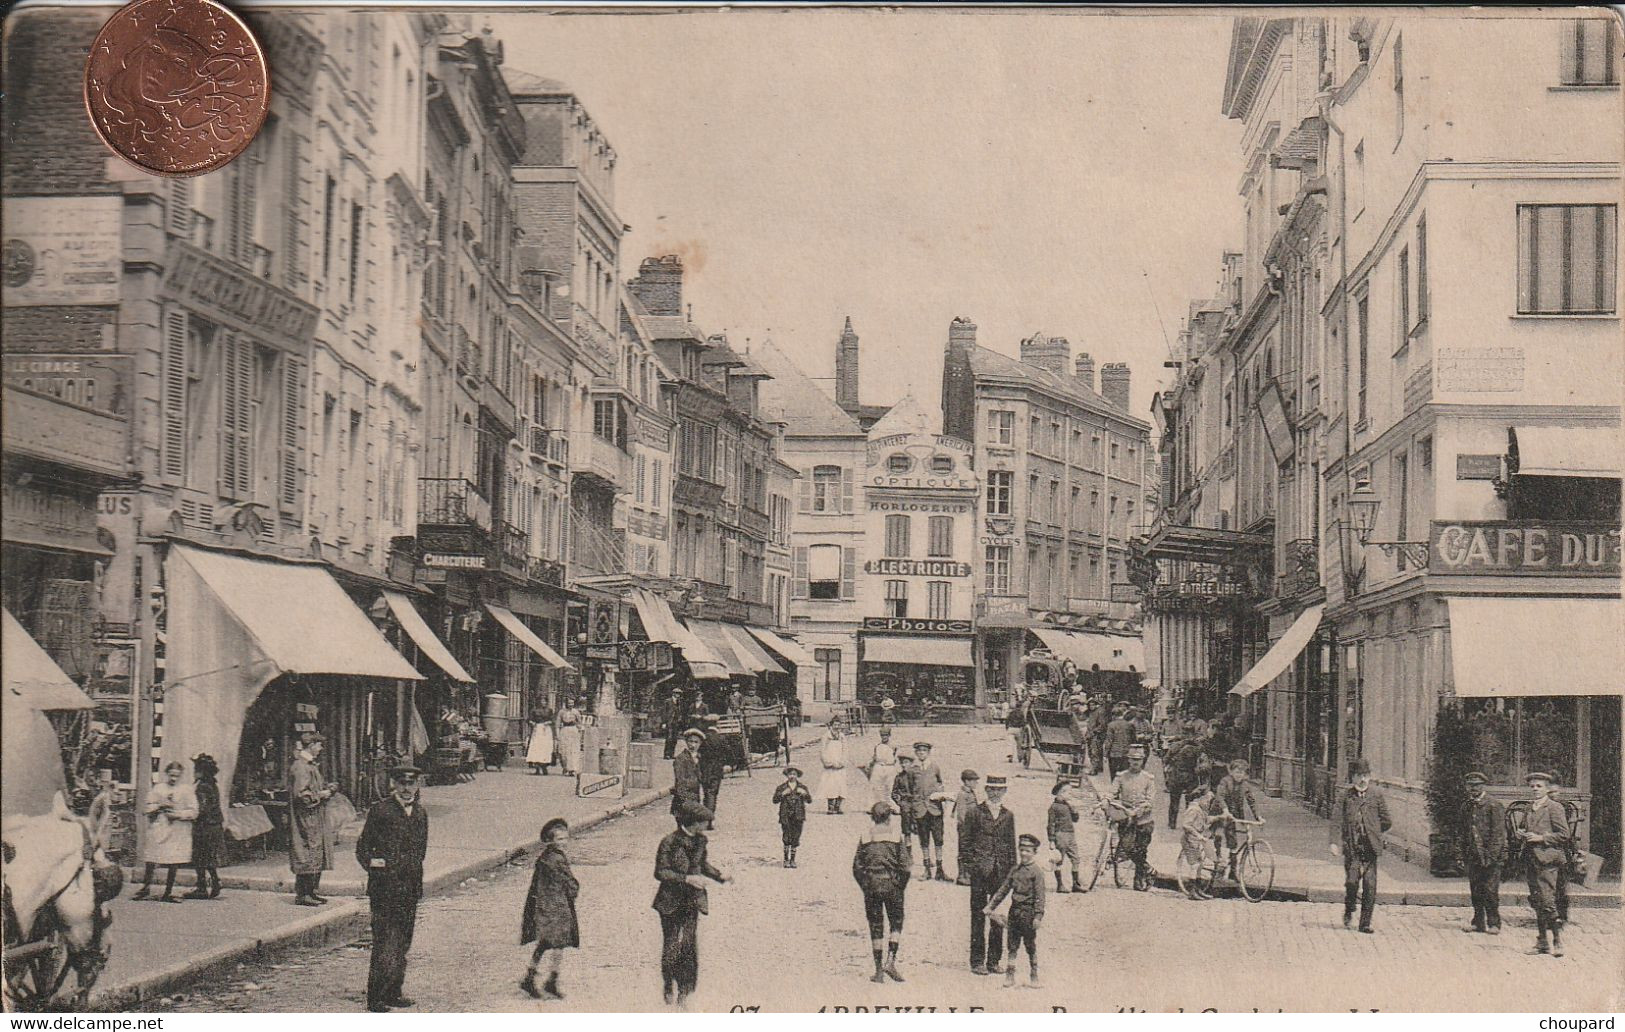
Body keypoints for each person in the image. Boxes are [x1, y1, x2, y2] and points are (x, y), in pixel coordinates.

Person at [355, 765, 429, 1012]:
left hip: (409, 889)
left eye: (412, 783)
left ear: (417, 785)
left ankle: (394, 991)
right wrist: (377, 867)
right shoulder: (381, 811)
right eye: (402, 783)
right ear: (394, 785)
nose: (407, 788)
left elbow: (421, 851)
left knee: (403, 942)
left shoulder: (419, 812)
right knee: (385, 941)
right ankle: (376, 997)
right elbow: (363, 848)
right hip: (385, 889)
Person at [653, 801, 731, 1007]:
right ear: (693, 822)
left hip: (691, 900)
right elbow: (660, 872)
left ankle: (685, 990)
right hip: (669, 900)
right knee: (672, 945)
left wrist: (719, 875)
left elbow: (701, 864)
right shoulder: (669, 842)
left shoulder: (700, 841)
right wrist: (686, 879)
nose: (708, 826)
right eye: (705, 822)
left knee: (688, 945)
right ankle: (669, 982)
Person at [962, 773, 1017, 975]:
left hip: (1001, 872)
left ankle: (993, 961)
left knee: (998, 917)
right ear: (986, 790)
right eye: (992, 789)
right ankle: (977, 961)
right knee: (978, 916)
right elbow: (965, 843)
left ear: (1005, 792)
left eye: (999, 790)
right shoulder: (975, 813)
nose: (995, 793)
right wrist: (969, 867)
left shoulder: (1008, 815)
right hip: (980, 871)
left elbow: (1011, 846)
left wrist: (1014, 873)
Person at [852, 800, 911, 984]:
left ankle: (878, 971)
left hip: (871, 887)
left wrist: (866, 885)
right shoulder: (895, 837)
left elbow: (856, 867)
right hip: (892, 886)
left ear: (873, 818)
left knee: (876, 925)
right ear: (889, 818)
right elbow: (905, 867)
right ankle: (890, 961)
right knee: (896, 923)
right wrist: (899, 885)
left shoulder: (865, 837)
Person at [520, 817, 579, 1000]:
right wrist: (574, 889)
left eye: (565, 838)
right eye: (560, 839)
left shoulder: (545, 857)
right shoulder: (556, 860)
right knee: (558, 943)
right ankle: (550, 980)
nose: (564, 842)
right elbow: (569, 883)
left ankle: (531, 975)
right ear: (551, 840)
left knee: (546, 942)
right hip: (557, 907)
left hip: (545, 906)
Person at [1516, 770, 1571, 957]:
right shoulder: (1529, 808)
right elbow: (1524, 827)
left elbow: (1564, 835)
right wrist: (1521, 833)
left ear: (1547, 789)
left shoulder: (1554, 808)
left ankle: (1557, 941)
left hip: (1548, 860)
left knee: (1547, 900)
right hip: (1531, 859)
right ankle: (1542, 942)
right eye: (1532, 786)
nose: (1535, 789)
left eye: (1539, 786)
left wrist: (1540, 837)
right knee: (1537, 900)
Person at [1335, 758, 1392, 934]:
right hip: (1352, 848)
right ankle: (1349, 906)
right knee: (1351, 882)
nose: (1363, 780)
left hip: (1370, 849)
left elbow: (1387, 820)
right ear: (1353, 777)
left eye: (1366, 776)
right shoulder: (1346, 796)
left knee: (1370, 885)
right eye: (1359, 776)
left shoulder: (1376, 795)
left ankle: (1365, 923)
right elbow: (1336, 820)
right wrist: (1333, 842)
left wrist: (1374, 832)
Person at [986, 832, 1047, 988]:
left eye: (1028, 850)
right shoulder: (1015, 870)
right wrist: (990, 906)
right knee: (1012, 946)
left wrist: (1038, 916)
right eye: (1022, 850)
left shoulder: (1037, 872)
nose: (1024, 853)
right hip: (1014, 912)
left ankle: (1034, 976)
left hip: (1028, 914)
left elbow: (1040, 896)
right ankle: (1009, 975)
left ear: (1034, 852)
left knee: (1030, 946)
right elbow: (1004, 890)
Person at [132, 760, 197, 902]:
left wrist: (178, 814)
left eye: (177, 776)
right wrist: (159, 806)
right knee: (152, 857)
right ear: (166, 774)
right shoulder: (158, 789)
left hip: (177, 829)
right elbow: (146, 808)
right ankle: (145, 887)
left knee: (173, 860)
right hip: (160, 826)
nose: (173, 778)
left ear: (181, 776)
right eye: (171, 775)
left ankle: (168, 891)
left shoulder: (186, 790)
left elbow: (193, 811)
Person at [289, 732, 337, 906]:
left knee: (316, 851)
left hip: (315, 816)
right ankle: (303, 894)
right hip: (306, 817)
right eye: (319, 745)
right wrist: (322, 794)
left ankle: (311, 891)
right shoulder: (301, 766)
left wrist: (327, 789)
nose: (321, 748)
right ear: (311, 745)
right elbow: (302, 795)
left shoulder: (309, 765)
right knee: (307, 851)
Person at [1461, 771, 1507, 936]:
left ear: (1483, 786)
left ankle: (1494, 923)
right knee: (1476, 889)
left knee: (1490, 890)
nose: (1473, 789)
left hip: (1491, 856)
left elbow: (1498, 834)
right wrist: (1463, 853)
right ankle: (1478, 922)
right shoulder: (1467, 805)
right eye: (1470, 786)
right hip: (1473, 854)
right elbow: (1464, 832)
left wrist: (1491, 857)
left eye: (1477, 785)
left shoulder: (1493, 805)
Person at [1109, 742, 1157, 891]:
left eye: (1139, 760)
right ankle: (1149, 869)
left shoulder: (1149, 779)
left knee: (1141, 850)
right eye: (1132, 759)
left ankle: (1139, 880)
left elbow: (1150, 801)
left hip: (1144, 820)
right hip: (1126, 817)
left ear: (1143, 761)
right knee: (1127, 847)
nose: (1135, 763)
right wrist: (1106, 799)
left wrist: (1137, 811)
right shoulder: (1121, 776)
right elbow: (1112, 793)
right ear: (1128, 760)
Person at [1211, 758, 1262, 879]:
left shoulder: (1245, 785)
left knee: (1232, 842)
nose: (1239, 775)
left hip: (1233, 815)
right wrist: (1225, 810)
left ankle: (1233, 872)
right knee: (1218, 837)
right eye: (1237, 772)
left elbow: (1251, 801)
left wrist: (1258, 816)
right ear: (1231, 772)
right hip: (1219, 812)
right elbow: (1220, 796)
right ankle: (1217, 864)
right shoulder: (1225, 781)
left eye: (1242, 772)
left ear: (1245, 774)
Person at [908, 742, 950, 881]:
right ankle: (927, 869)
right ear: (915, 753)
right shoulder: (912, 770)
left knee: (938, 839)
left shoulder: (935, 767)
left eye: (924, 751)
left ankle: (939, 869)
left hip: (934, 809)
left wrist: (939, 794)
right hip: (920, 810)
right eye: (919, 751)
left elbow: (940, 783)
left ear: (928, 752)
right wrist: (914, 808)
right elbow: (910, 790)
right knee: (924, 840)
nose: (921, 753)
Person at [186, 753, 225, 900]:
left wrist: (190, 815)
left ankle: (202, 887)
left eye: (196, 768)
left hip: (205, 826)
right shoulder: (213, 785)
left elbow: (202, 808)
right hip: (214, 825)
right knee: (208, 856)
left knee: (199, 856)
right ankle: (215, 881)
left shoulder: (202, 787)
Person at [1046, 781, 1084, 894]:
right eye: (1067, 792)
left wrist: (1074, 810)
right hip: (1060, 835)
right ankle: (1060, 885)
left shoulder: (1068, 805)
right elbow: (1050, 824)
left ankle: (1075, 884)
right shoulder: (1053, 807)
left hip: (1071, 834)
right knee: (1059, 860)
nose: (1069, 794)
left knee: (1076, 858)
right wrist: (1051, 840)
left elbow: (1075, 819)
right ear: (1060, 793)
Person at [773, 766, 812, 868]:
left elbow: (809, 800)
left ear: (797, 775)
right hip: (785, 815)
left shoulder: (802, 787)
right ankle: (786, 859)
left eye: (794, 774)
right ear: (787, 775)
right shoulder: (781, 787)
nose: (792, 776)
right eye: (790, 774)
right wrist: (782, 794)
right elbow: (774, 800)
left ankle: (793, 860)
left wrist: (805, 794)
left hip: (798, 816)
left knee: (796, 836)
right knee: (786, 836)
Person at [698, 715, 732, 829]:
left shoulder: (703, 738)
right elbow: (728, 752)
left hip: (704, 769)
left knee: (707, 794)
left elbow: (699, 753)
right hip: (717, 770)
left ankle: (705, 818)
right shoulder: (721, 738)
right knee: (712, 794)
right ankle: (709, 820)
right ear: (716, 724)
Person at [1163, 733, 1199, 830]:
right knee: (1190, 801)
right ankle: (1189, 823)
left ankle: (1172, 823)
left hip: (1176, 776)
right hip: (1190, 777)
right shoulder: (1198, 747)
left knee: (1174, 801)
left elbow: (1165, 760)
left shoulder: (1175, 746)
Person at [951, 768, 981, 885]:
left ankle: (967, 874)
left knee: (970, 850)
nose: (975, 783)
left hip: (971, 826)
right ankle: (962, 876)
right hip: (965, 828)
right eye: (973, 781)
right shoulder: (963, 794)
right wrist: (968, 828)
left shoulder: (970, 792)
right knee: (964, 850)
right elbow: (962, 814)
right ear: (967, 781)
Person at [672, 728, 705, 817]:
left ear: (700, 744)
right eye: (690, 741)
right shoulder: (681, 759)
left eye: (696, 742)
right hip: (683, 801)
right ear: (686, 742)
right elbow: (680, 781)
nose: (693, 745)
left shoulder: (699, 758)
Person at [818, 720, 849, 815]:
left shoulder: (842, 737)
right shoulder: (826, 737)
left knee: (841, 786)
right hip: (831, 766)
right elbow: (822, 751)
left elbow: (845, 750)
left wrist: (842, 762)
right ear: (831, 725)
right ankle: (830, 807)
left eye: (838, 724)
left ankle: (838, 806)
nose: (837, 726)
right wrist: (828, 762)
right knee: (831, 786)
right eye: (835, 724)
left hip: (840, 765)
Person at [866, 726, 901, 806]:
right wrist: (869, 764)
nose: (884, 737)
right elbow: (874, 757)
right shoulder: (878, 746)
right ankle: (874, 806)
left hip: (890, 768)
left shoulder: (894, 746)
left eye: (886, 735)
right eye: (882, 735)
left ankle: (891, 806)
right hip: (878, 767)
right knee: (875, 787)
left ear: (889, 735)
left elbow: (896, 759)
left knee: (889, 788)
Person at [891, 753, 919, 841]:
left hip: (917, 804)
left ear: (911, 763)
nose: (903, 765)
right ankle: (908, 850)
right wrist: (900, 803)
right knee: (906, 830)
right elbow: (894, 793)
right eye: (902, 763)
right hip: (905, 805)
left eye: (906, 762)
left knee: (921, 829)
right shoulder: (899, 777)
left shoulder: (917, 776)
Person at [1104, 705, 1134, 779]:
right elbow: (1133, 739)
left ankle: (1115, 787)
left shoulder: (1111, 725)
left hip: (1114, 753)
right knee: (1125, 772)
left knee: (1114, 772)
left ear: (1114, 715)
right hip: (1126, 752)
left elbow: (1109, 741)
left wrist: (1105, 754)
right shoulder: (1129, 725)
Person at [526, 703, 556, 775]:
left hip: (546, 730)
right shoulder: (534, 710)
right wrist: (532, 723)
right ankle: (537, 768)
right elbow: (529, 720)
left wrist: (548, 722)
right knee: (536, 748)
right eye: (541, 701)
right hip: (537, 729)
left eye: (544, 701)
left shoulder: (549, 710)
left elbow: (553, 720)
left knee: (545, 748)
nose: (543, 703)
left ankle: (544, 767)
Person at [556, 698, 584, 776]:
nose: (570, 705)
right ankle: (565, 768)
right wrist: (557, 735)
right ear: (566, 703)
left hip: (573, 731)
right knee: (564, 751)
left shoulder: (576, 712)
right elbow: (557, 724)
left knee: (573, 750)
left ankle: (572, 769)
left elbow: (580, 724)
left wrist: (580, 733)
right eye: (569, 703)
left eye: (572, 703)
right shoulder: (561, 712)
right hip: (564, 731)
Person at [1085, 699, 1109, 775]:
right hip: (1091, 734)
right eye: (1090, 705)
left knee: (1094, 752)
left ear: (1095, 704)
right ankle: (1099, 767)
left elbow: (1102, 725)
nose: (1091, 706)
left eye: (1092, 704)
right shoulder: (1091, 712)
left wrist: (1094, 731)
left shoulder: (1100, 712)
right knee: (1093, 751)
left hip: (1096, 735)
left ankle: (1094, 770)